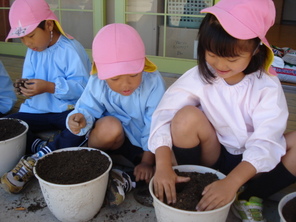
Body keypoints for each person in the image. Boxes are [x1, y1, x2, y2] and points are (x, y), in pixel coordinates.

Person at [148, 0, 296, 221]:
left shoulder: (266, 85)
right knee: (185, 117)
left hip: (252, 166)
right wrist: (162, 165)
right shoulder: (201, 74)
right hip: (214, 154)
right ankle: (197, 183)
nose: (220, 65)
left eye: (232, 58)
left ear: (256, 50)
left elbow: (267, 141)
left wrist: (232, 182)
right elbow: (165, 113)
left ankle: (249, 196)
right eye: (212, 53)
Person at [66, 23, 166, 206]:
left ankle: (125, 176)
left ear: (143, 64)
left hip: (143, 145)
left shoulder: (153, 81)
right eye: (115, 78)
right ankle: (96, 166)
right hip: (113, 140)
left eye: (134, 75)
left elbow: (155, 123)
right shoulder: (97, 80)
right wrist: (79, 118)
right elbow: (86, 108)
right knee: (109, 126)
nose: (125, 84)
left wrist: (146, 161)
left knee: (168, 161)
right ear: (102, 72)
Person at [0, 0, 91, 194]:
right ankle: (38, 146)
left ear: (49, 25)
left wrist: (50, 87)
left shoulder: (70, 49)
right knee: (7, 123)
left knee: (85, 127)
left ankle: (36, 157)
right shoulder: (33, 50)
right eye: (22, 39)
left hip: (66, 111)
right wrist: (24, 87)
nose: (27, 43)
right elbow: (30, 79)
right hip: (37, 110)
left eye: (31, 36)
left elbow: (83, 89)